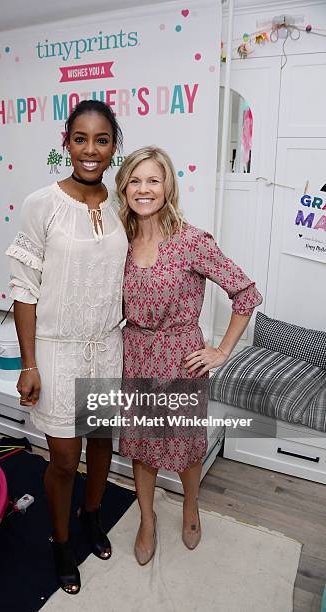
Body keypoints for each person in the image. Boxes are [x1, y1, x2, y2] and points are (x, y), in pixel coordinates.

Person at [115, 146, 262, 565]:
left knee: (184, 447)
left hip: (181, 359)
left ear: (168, 186)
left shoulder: (192, 241)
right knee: (143, 447)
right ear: (124, 188)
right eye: (135, 181)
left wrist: (221, 351)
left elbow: (245, 294)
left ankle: (190, 506)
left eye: (153, 180)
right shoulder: (119, 241)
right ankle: (147, 518)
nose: (144, 189)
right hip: (136, 355)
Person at [6, 100, 127, 594]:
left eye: (102, 140)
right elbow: (23, 288)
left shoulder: (124, 204)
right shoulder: (42, 204)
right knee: (62, 456)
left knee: (101, 441)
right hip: (57, 351)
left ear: (113, 147)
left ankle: (91, 515)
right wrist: (29, 363)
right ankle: (60, 540)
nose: (91, 150)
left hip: (108, 346)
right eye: (81, 139)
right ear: (66, 142)